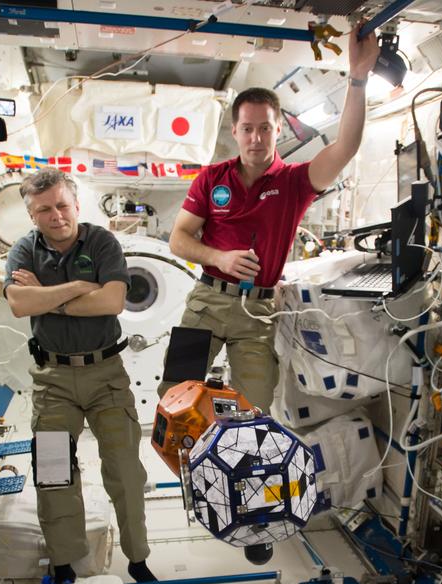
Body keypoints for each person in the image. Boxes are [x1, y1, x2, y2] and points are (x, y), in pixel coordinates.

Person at [161, 23, 381, 410]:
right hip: (207, 302)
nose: (256, 138)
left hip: (257, 313)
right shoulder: (212, 177)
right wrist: (220, 258)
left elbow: (345, 147)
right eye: (247, 129)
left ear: (279, 130)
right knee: (175, 397)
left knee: (255, 408)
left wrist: (358, 79)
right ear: (235, 131)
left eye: (265, 128)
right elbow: (178, 239)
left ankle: (236, 468)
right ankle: (190, 467)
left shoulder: (296, 182)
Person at [4, 168, 163, 584]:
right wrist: (76, 287)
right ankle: (63, 559)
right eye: (44, 210)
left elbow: (112, 301)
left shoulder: (101, 242)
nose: (56, 216)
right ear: (32, 215)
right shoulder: (23, 250)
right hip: (52, 380)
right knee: (53, 473)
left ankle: (137, 558)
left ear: (75, 205)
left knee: (126, 471)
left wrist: (48, 295)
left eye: (62, 205)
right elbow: (19, 304)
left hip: (105, 376)